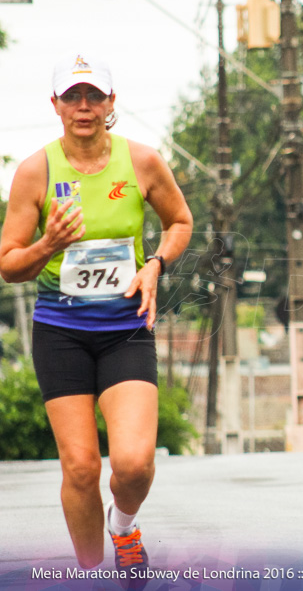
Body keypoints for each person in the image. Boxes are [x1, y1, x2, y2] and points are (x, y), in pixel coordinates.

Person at [0, 53, 193, 578]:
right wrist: (48, 244)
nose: (82, 106)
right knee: (82, 468)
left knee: (133, 464)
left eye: (93, 96)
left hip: (125, 327)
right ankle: (90, 575)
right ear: (56, 105)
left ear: (110, 104)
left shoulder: (143, 162)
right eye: (72, 96)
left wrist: (155, 264)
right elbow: (9, 265)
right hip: (61, 330)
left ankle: (124, 526)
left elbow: (180, 221)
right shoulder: (36, 171)